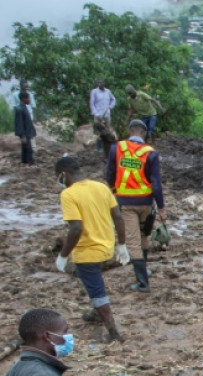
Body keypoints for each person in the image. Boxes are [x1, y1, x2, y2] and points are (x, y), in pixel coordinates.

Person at [55, 156, 128, 343]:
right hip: (106, 248)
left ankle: (113, 334)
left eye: (58, 177)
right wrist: (122, 244)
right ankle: (95, 313)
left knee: (97, 291)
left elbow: (76, 228)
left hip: (87, 252)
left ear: (64, 174)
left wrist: (63, 255)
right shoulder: (101, 187)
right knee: (92, 279)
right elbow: (118, 217)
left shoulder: (68, 195)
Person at [107, 119, 165, 293]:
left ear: (130, 130)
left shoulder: (116, 149)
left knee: (133, 241)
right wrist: (162, 208)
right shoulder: (150, 153)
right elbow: (156, 183)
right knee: (143, 237)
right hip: (146, 203)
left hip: (126, 203)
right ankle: (144, 271)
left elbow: (110, 173)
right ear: (144, 133)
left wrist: (112, 191)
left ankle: (142, 282)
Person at [89, 78, 117, 157]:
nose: (100, 84)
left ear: (104, 84)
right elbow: (92, 103)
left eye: (102, 83)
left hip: (107, 115)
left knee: (107, 132)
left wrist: (110, 107)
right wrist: (96, 113)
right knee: (98, 132)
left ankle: (107, 150)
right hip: (98, 115)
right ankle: (99, 148)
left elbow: (113, 99)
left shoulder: (108, 91)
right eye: (99, 83)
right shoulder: (94, 92)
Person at [14, 92, 36, 166]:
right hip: (25, 133)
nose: (30, 100)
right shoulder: (19, 109)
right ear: (24, 99)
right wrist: (22, 136)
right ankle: (29, 163)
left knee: (26, 149)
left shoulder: (24, 107)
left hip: (28, 132)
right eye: (28, 98)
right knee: (28, 149)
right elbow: (19, 124)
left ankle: (25, 162)